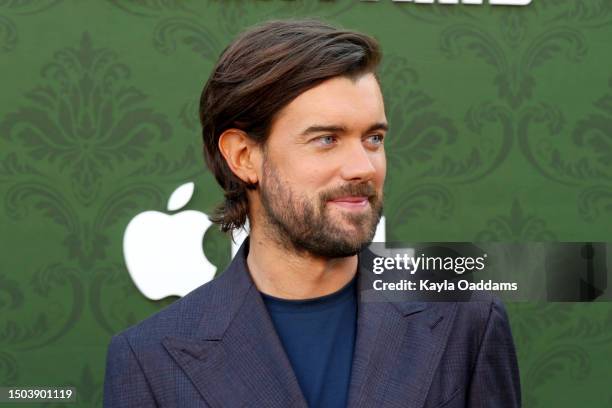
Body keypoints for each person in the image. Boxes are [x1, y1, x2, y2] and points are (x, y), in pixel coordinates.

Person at [104, 19, 521, 408]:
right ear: (245, 156)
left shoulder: (466, 317)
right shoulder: (150, 359)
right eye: (326, 139)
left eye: (373, 138)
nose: (363, 167)